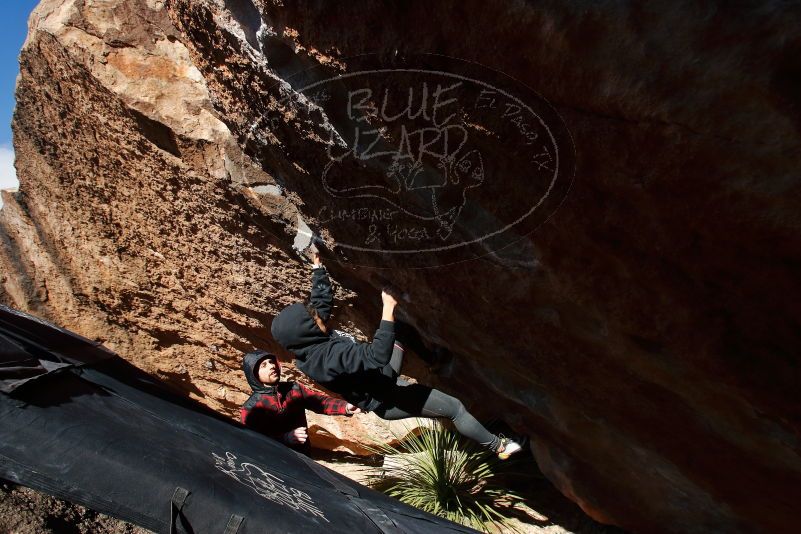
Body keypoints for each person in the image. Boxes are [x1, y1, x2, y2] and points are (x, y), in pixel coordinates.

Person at [270, 248, 524, 459]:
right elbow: (377, 356)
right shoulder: (325, 359)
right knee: (455, 408)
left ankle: (434, 361)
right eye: (313, 319)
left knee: (398, 331)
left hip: (382, 378)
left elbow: (321, 303)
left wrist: (317, 268)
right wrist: (387, 307)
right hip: (389, 397)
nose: (318, 316)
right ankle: (498, 447)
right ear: (306, 330)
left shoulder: (310, 341)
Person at [240, 349, 362, 454]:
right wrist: (285, 439)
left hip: (304, 455)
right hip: (275, 463)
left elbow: (320, 402)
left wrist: (346, 407)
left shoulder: (293, 388)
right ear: (254, 375)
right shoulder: (251, 408)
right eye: (263, 365)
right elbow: (255, 442)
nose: (271, 366)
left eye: (271, 362)